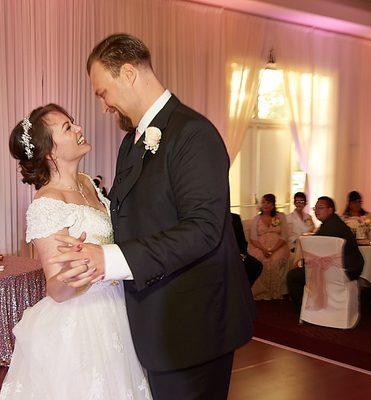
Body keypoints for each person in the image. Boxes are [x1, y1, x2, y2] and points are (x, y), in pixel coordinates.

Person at [50, 33, 254, 400]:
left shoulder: (194, 134)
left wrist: (110, 259)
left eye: (102, 92)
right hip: (156, 324)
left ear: (128, 74)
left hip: (194, 327)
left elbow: (203, 229)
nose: (103, 106)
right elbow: (134, 217)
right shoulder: (131, 143)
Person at [0, 104, 151, 399]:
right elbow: (55, 287)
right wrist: (81, 271)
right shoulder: (46, 205)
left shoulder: (87, 184)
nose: (79, 129)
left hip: (120, 303)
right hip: (84, 322)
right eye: (68, 128)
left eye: (74, 123)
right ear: (49, 152)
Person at [287, 196, 364, 312]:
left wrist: (300, 263)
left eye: (321, 208)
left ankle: (302, 310)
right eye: (315, 208)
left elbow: (315, 253)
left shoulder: (329, 227)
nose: (317, 211)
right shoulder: (334, 222)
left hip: (342, 270)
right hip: (351, 266)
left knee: (293, 276)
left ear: (330, 210)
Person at [248, 194, 290, 300]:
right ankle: (262, 292)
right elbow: (253, 238)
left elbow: (284, 236)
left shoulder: (280, 216)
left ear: (273, 205)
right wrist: (264, 250)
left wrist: (273, 249)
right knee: (260, 260)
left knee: (276, 260)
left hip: (278, 246)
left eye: (268, 203)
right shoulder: (256, 218)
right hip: (260, 246)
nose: (265, 205)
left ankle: (275, 292)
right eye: (263, 202)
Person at [232, 213, 263, 286]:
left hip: (236, 254)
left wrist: (242, 255)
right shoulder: (209, 218)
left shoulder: (235, 218)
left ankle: (243, 291)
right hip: (217, 257)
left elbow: (242, 241)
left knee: (257, 266)